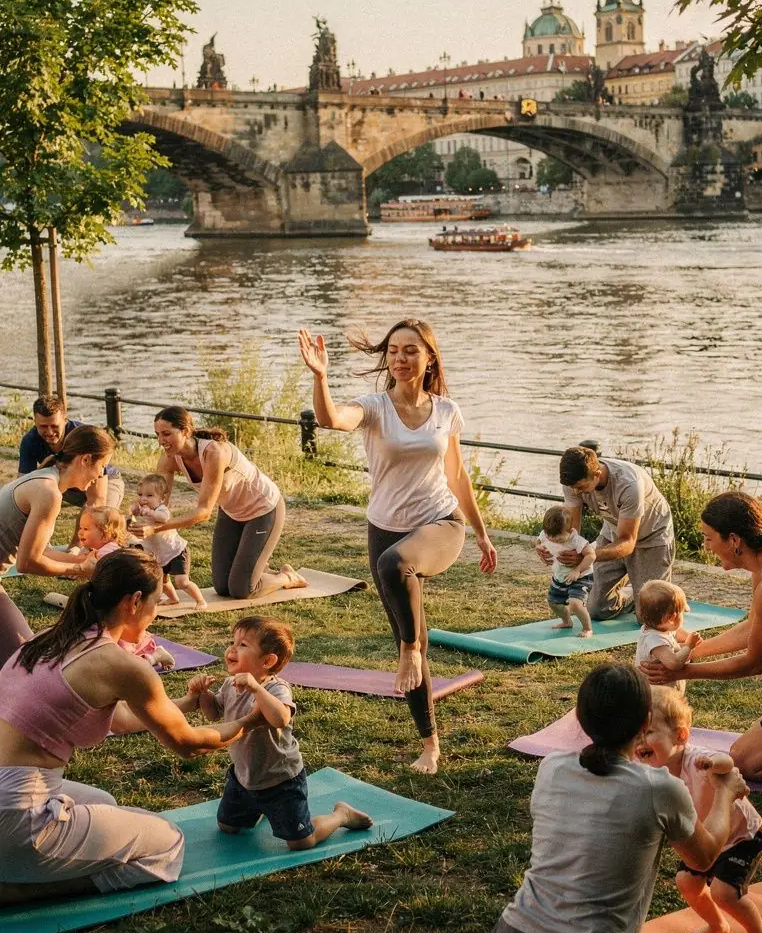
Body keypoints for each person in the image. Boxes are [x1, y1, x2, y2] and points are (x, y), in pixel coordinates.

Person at [435, 663, 748, 933]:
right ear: (643, 724)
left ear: (580, 718)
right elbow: (703, 858)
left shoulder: (550, 768)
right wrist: (725, 793)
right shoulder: (658, 789)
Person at [0, 550, 257, 906]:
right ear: (135, 601)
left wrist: (184, 704)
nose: (157, 613)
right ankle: (18, 889)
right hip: (15, 815)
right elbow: (188, 744)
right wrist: (251, 720)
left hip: (10, 792)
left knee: (105, 802)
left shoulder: (51, 637)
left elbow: (121, 719)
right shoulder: (119, 664)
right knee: (166, 846)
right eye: (156, 601)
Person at [298, 319, 497, 775]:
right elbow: (331, 419)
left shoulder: (446, 410)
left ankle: (410, 649)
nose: (401, 359)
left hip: (440, 523)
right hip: (384, 528)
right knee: (407, 618)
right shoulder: (372, 407)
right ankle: (430, 743)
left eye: (411, 350)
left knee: (398, 580)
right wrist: (320, 377)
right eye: (393, 351)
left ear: (429, 358)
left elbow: (457, 476)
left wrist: (482, 533)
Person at [641, 491, 762, 789]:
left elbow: (755, 662)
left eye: (709, 538)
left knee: (745, 761)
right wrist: (690, 652)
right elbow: (753, 628)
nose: (706, 546)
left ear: (734, 540)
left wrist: (683, 672)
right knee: (748, 752)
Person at [184, 616, 373, 849]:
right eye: (232, 642)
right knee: (228, 827)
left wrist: (255, 688)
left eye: (242, 645)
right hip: (244, 778)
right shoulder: (230, 684)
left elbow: (280, 718)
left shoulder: (276, 688)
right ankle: (260, 809)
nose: (231, 649)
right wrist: (203, 693)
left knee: (302, 842)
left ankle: (342, 815)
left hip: (280, 781)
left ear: (268, 661)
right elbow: (213, 713)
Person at [636, 686, 762, 933]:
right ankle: (717, 925)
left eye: (649, 732)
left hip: (741, 836)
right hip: (704, 837)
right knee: (686, 882)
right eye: (636, 734)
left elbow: (727, 763)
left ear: (680, 736)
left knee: (724, 892)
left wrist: (712, 763)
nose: (641, 741)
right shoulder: (648, 772)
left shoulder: (696, 759)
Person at [130, 406, 299, 602]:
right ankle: (257, 565)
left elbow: (203, 512)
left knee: (241, 589)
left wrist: (155, 528)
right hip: (231, 512)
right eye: (157, 435)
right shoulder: (170, 458)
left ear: (185, 431)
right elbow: (158, 504)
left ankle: (286, 576)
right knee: (222, 587)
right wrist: (134, 519)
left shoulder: (214, 453)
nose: (161, 441)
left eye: (167, 434)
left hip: (264, 508)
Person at [0, 425, 115, 665]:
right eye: (102, 465)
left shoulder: (48, 481)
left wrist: (86, 560)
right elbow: (27, 562)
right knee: (23, 661)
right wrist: (79, 570)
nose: (101, 474)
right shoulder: (48, 492)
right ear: (85, 459)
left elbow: (43, 551)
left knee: (22, 658)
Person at [559, 446, 675, 621]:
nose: (576, 492)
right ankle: (635, 594)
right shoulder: (574, 482)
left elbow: (627, 542)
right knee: (597, 610)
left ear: (597, 475)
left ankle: (651, 597)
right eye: (573, 488)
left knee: (650, 618)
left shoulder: (628, 484)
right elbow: (572, 531)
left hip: (652, 537)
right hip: (613, 531)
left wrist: (588, 555)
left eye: (581, 487)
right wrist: (552, 548)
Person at [18, 394, 124, 511]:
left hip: (104, 481)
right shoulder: (30, 441)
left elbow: (97, 499)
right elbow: (23, 484)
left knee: (100, 517)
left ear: (65, 419)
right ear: (35, 422)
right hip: (70, 485)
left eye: (54, 426)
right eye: (43, 426)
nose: (49, 432)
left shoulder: (85, 436)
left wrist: (93, 509)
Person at [129, 473, 207, 610]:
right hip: (160, 555)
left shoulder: (161, 509)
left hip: (176, 551)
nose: (143, 499)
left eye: (149, 495)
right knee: (163, 582)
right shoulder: (143, 510)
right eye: (140, 495)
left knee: (182, 582)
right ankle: (173, 599)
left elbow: (164, 518)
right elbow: (132, 514)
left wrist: (150, 513)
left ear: (162, 498)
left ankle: (200, 600)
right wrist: (133, 510)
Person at [535, 503, 595, 637]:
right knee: (553, 602)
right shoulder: (546, 534)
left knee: (575, 604)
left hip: (581, 577)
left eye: (557, 537)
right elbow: (538, 541)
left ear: (570, 530)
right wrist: (538, 548)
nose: (552, 539)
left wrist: (578, 570)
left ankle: (587, 629)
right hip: (560, 576)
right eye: (549, 535)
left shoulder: (576, 541)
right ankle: (567, 622)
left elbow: (591, 555)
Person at [635, 580, 701, 692]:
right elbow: (673, 663)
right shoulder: (655, 640)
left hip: (663, 689)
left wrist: (687, 639)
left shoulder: (659, 628)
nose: (683, 617)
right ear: (670, 618)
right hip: (658, 693)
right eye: (681, 613)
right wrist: (689, 646)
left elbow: (674, 637)